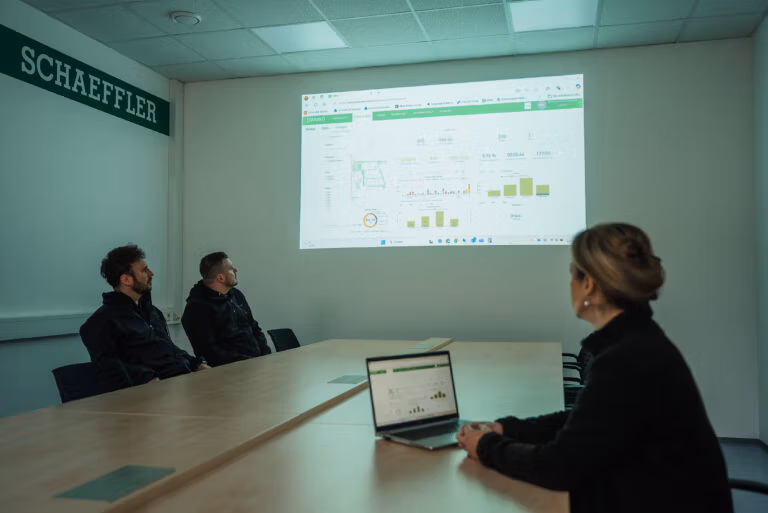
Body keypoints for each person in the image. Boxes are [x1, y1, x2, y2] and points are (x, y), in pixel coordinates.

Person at [456, 223, 733, 513]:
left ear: (588, 284)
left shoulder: (628, 358)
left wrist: (486, 447)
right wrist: (508, 428)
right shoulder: (638, 340)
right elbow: (587, 420)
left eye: (572, 275)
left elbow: (558, 466)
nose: (570, 285)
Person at [80, 245, 209, 385]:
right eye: (144, 270)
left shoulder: (152, 312)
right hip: (155, 393)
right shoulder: (100, 322)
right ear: (126, 280)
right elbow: (112, 371)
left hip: (181, 381)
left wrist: (197, 364)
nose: (151, 273)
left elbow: (168, 349)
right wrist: (149, 379)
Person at [181, 252, 271, 367]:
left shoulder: (236, 295)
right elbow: (211, 352)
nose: (236, 271)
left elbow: (254, 328)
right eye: (231, 269)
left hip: (255, 364)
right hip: (230, 372)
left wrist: (266, 356)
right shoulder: (197, 308)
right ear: (220, 277)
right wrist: (248, 364)